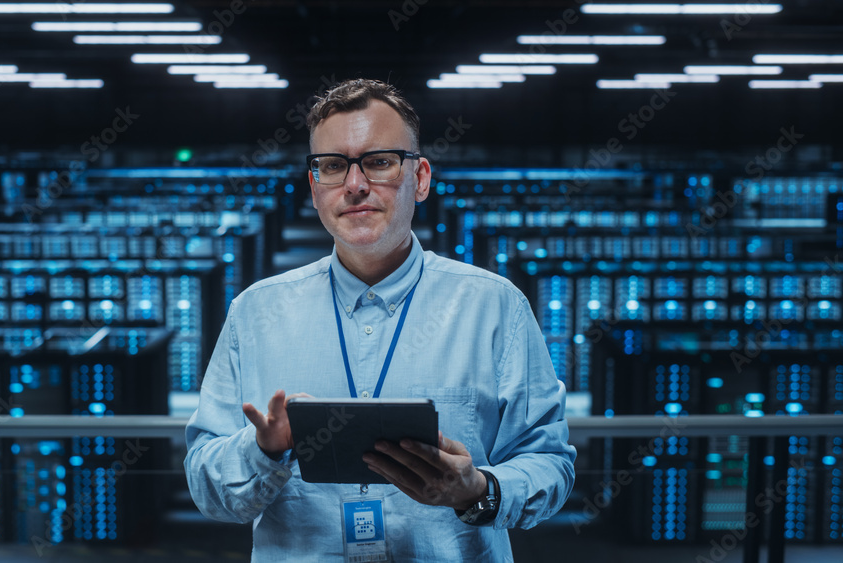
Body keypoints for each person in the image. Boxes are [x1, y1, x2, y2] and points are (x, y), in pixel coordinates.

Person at [185, 78, 576, 561]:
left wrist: (478, 490)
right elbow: (206, 483)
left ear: (422, 177)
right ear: (314, 186)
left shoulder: (494, 307)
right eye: (332, 166)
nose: (355, 184)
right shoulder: (256, 312)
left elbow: (550, 463)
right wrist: (263, 452)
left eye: (379, 161)